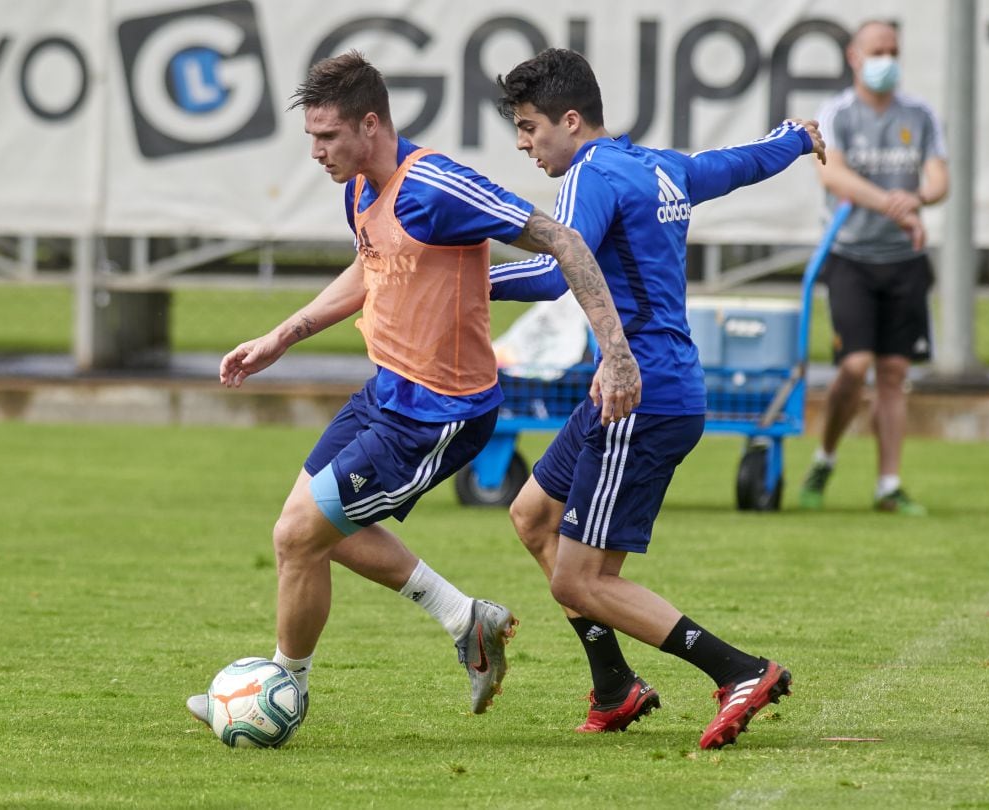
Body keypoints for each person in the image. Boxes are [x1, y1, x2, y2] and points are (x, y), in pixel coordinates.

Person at [186, 50, 641, 727]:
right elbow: (371, 269)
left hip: (439, 414)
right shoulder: (361, 190)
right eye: (311, 137)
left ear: (371, 124)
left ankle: (282, 690)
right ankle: (466, 621)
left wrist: (617, 355)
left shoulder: (436, 186)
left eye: (328, 136)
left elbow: (563, 241)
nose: (316, 151)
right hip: (384, 394)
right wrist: (283, 335)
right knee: (312, 531)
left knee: (298, 535)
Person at [491, 48, 826, 749]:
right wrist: (794, 139)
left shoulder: (590, 176)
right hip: (638, 390)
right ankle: (615, 688)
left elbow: (561, 270)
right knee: (531, 517)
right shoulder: (657, 166)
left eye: (529, 128)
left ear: (571, 120)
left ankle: (739, 670)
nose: (524, 144)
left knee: (580, 582)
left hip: (636, 397)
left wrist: (460, 281)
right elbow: (737, 164)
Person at [800, 19, 949, 516]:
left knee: (893, 371)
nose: (887, 59)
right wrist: (895, 204)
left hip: (905, 260)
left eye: (893, 50)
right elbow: (833, 175)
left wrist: (918, 197)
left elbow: (937, 177)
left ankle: (888, 484)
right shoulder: (839, 114)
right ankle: (825, 455)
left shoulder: (920, 114)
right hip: (851, 257)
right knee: (854, 367)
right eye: (877, 50)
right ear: (854, 56)